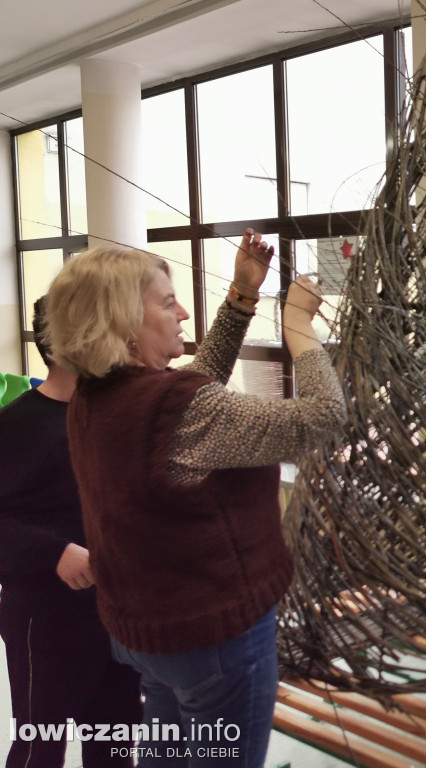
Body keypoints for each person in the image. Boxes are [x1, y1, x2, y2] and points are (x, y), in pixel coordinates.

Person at [44, 230, 346, 768]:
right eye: (166, 302)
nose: (183, 312)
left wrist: (242, 295)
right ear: (121, 322)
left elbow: (186, 394)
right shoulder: (177, 409)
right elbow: (323, 419)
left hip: (148, 637)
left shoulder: (94, 396)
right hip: (214, 639)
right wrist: (299, 329)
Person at [0, 298, 142, 768]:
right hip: (44, 619)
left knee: (116, 745)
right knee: (40, 747)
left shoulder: (111, 417)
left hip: (114, 614)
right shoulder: (15, 425)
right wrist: (53, 551)